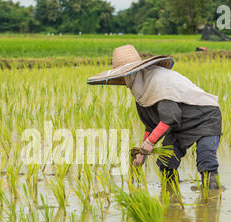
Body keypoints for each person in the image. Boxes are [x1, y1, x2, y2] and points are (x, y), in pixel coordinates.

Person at [87, 44, 222, 189]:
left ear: (135, 71)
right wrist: (141, 156)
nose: (124, 81)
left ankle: (211, 196)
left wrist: (150, 142)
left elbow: (171, 116)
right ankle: (171, 198)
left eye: (125, 75)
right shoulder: (141, 90)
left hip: (205, 118)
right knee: (166, 163)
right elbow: (151, 125)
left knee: (206, 160)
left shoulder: (159, 82)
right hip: (179, 126)